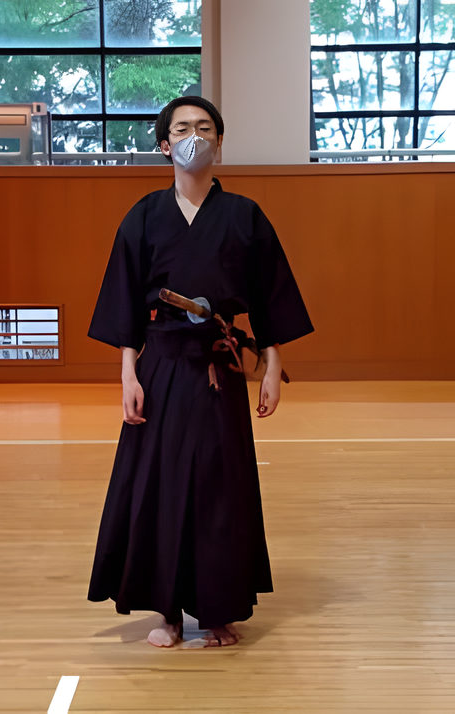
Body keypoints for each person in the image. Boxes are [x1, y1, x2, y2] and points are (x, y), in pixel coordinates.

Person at [87, 96, 314, 648]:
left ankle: (217, 609)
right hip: (162, 366)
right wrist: (128, 375)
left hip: (220, 366)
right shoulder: (144, 216)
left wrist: (272, 363)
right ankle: (167, 612)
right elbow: (124, 303)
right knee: (159, 485)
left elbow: (270, 295)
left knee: (220, 485)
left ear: (219, 142)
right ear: (165, 144)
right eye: (183, 128)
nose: (195, 137)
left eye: (205, 127)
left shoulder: (244, 215)